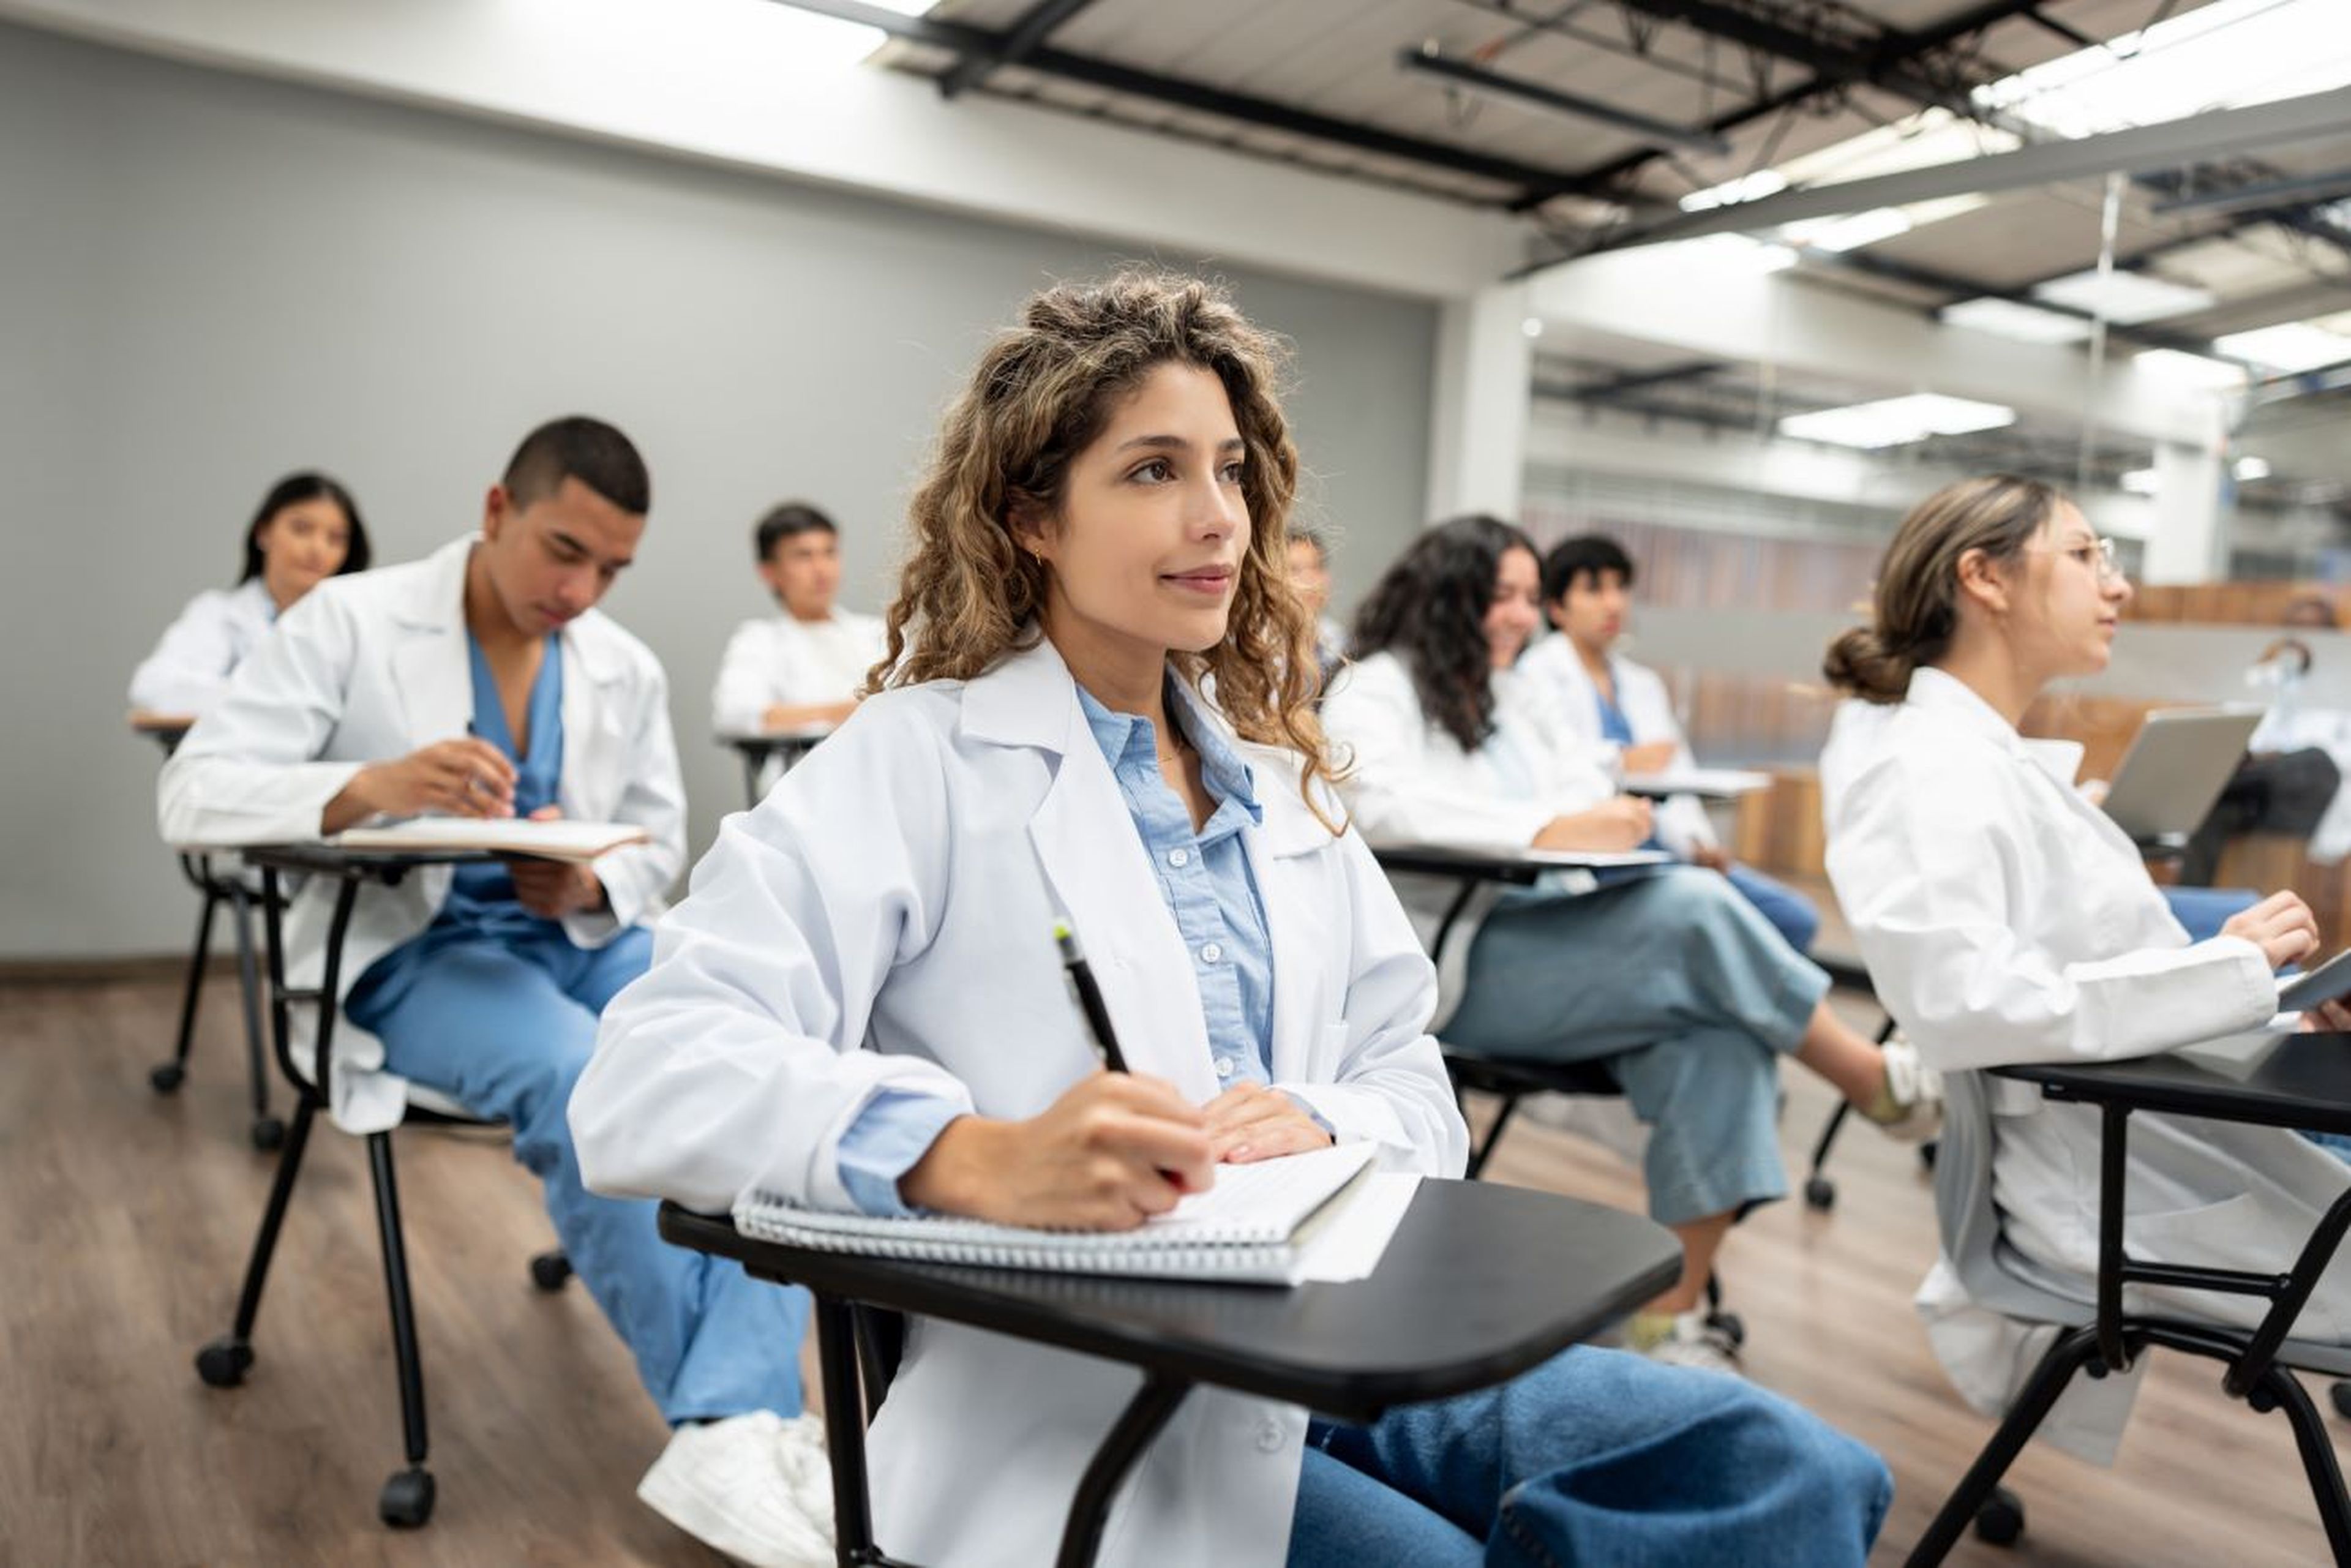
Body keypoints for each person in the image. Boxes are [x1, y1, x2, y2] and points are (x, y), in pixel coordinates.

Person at [571, 273, 1893, 1568]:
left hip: (1346, 1333)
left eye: (1231, 471)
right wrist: (962, 1153)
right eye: (1153, 470)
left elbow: (1413, 1080)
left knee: (1790, 1468)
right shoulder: (919, 758)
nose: (1217, 518)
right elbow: (649, 1072)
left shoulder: (1275, 781)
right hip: (1105, 1403)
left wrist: (1329, 1117)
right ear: (1032, 515)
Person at [157, 418, 830, 1568]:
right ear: (495, 510)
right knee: (583, 1077)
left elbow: (656, 839)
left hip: (565, 935)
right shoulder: (350, 620)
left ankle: (756, 1419)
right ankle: (732, 1429)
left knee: (748, 1050)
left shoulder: (621, 663)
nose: (580, 589)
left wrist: (585, 876)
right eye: (563, 551)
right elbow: (193, 793)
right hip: (409, 957)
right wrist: (365, 786)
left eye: (612, 569)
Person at [1321, 514, 1940, 1370]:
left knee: (1717, 1039)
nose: (1517, 616)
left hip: (1560, 940)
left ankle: (1666, 1320)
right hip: (1464, 964)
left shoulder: (1507, 692)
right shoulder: (1377, 687)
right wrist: (1552, 820)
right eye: (1499, 595)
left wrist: (1604, 812)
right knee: (1691, 907)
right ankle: (1866, 1076)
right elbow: (1380, 806)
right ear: (1442, 593)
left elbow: (1583, 776)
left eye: (1530, 600)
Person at [1818, 473, 2351, 1461]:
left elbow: (2096, 990)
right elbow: (1968, 1002)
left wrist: (2281, 1013)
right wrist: (2228, 970)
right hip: (2108, 1179)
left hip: (2149, 1137)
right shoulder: (1926, 768)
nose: (2117, 585)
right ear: (1985, 578)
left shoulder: (1985, 758)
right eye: (2084, 555)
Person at [1518, 533, 1820, 953]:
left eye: (1620, 587)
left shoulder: (1643, 685)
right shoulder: (1535, 674)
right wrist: (1621, 761)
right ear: (1555, 607)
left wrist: (1702, 844)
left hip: (1669, 847)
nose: (1614, 604)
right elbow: (1555, 766)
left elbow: (1678, 770)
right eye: (1594, 589)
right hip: (1605, 852)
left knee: (1793, 918)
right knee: (1710, 925)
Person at [129, 472, 373, 716]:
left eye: (335, 538)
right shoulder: (218, 614)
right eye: (301, 529)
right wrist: (280, 700)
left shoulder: (356, 627)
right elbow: (156, 688)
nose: (318, 549)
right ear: (263, 532)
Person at [2178, 591, 2351, 885]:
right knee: (2215, 798)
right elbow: (2233, 725)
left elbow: (2338, 759)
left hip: (2306, 794)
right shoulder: (2263, 678)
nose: (2303, 637)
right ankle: (2188, 908)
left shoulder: (2343, 681)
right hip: (2256, 792)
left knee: (2314, 760)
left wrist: (2276, 759)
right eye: (2296, 628)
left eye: (2314, 629)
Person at [710, 500, 888, 737]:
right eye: (804, 556)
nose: (821, 569)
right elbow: (734, 715)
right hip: (796, 770)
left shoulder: (878, 632)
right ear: (769, 572)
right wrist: (850, 712)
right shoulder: (758, 641)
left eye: (829, 553)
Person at [1284, 523, 1346, 680]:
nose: (1310, 580)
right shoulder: (1253, 647)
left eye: (1317, 567)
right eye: (1295, 570)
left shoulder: (1342, 643)